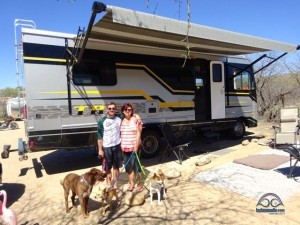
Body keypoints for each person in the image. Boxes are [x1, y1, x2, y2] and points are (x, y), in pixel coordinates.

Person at [98, 102, 123, 189]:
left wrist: (137, 117)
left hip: (117, 146)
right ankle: (109, 184)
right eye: (110, 108)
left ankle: (115, 185)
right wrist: (100, 150)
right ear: (107, 110)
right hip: (107, 147)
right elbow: (100, 137)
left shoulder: (119, 118)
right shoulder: (102, 121)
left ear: (115, 110)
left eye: (113, 108)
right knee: (108, 167)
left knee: (116, 167)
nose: (111, 110)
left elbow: (131, 115)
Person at [120, 103, 143, 192]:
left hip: (135, 147)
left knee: (137, 166)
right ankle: (131, 183)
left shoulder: (136, 119)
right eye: (126, 110)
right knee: (128, 167)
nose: (128, 111)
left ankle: (139, 183)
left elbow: (139, 132)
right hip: (125, 147)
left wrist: (136, 145)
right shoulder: (121, 120)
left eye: (130, 110)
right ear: (123, 111)